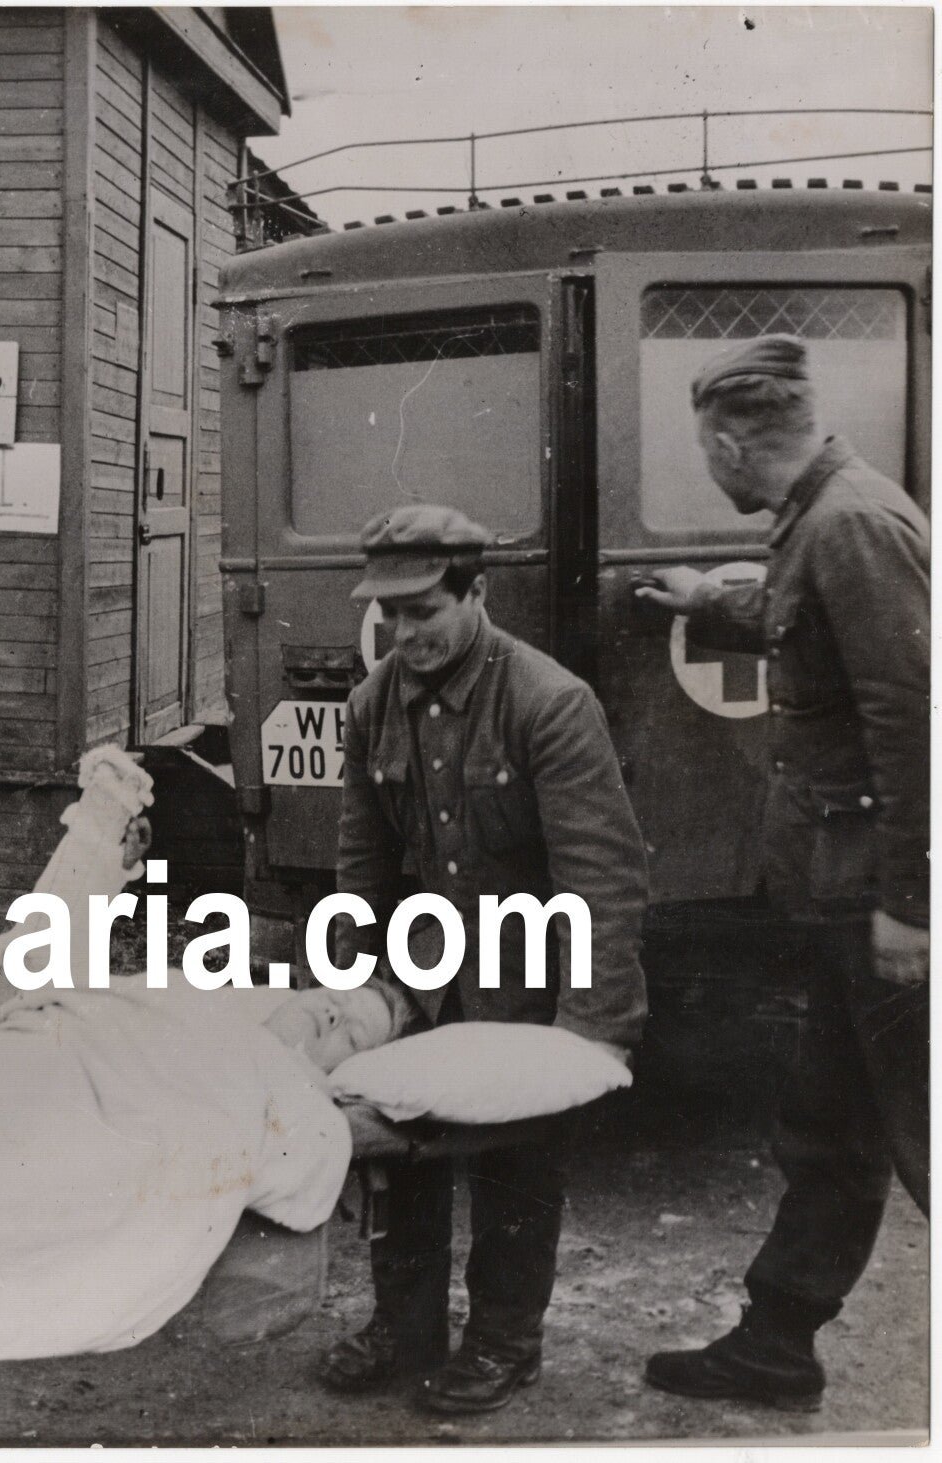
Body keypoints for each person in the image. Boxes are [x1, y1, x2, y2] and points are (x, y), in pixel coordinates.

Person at [636, 334, 929, 1413]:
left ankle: (776, 1338)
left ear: (726, 445)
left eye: (701, 452)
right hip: (836, 887)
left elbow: (914, 720)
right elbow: (805, 627)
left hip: (873, 898)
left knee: (917, 1128)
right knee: (832, 1124)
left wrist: (911, 904)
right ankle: (775, 1343)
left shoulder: (850, 523)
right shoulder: (821, 515)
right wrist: (704, 601)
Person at [318, 503, 650, 1414]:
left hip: (526, 980)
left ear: (477, 593)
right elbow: (361, 864)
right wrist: (351, 993)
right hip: (425, 977)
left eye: (424, 611)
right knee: (398, 1154)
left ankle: (504, 1340)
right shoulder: (371, 704)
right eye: (390, 613)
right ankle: (404, 1326)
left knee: (518, 1169)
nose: (404, 633)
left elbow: (601, 875)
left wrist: (591, 1029)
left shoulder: (548, 701)